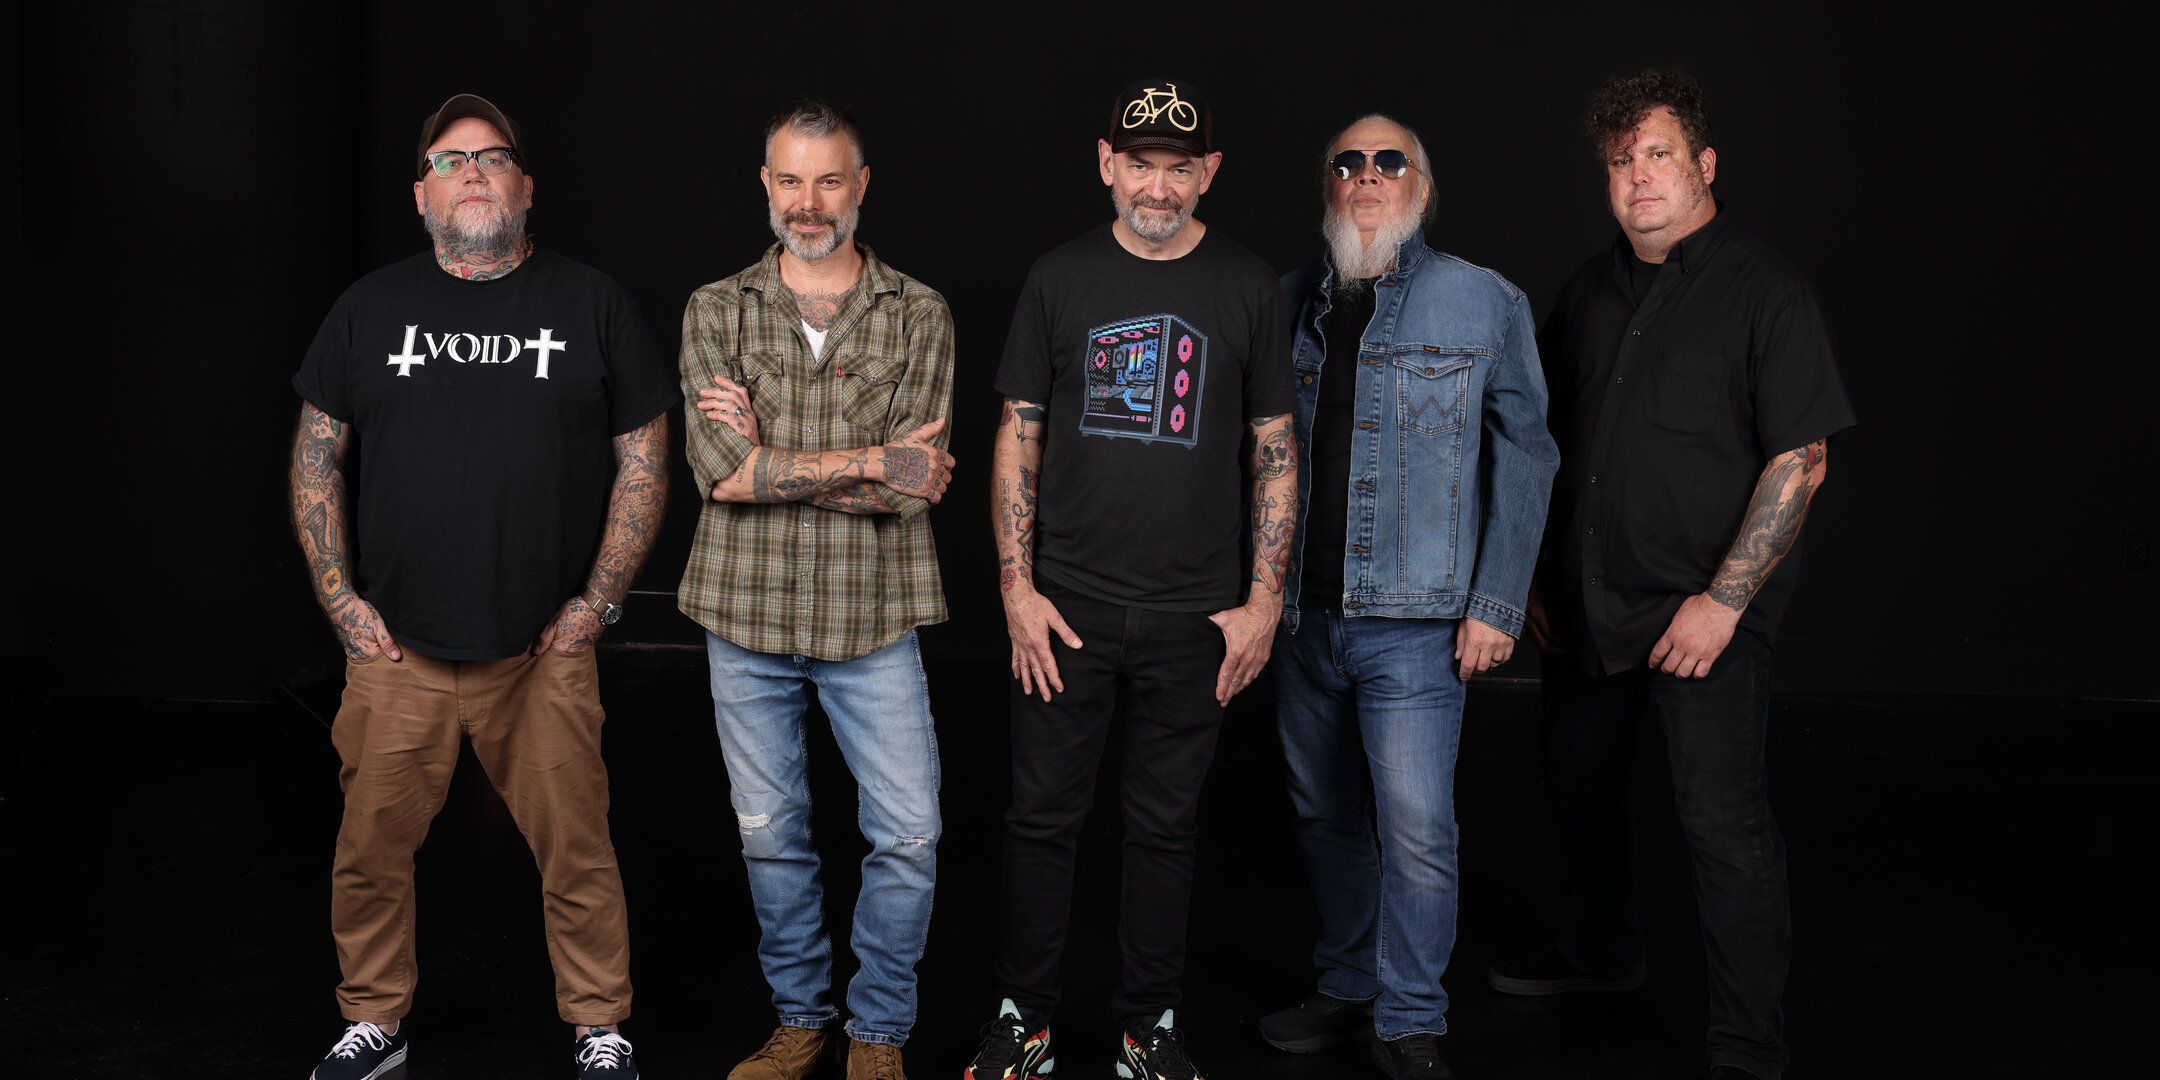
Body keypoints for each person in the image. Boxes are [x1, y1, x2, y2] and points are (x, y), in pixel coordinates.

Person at [289, 92, 675, 1080]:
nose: (472, 171)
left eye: (493, 157)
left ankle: (600, 1029)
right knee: (368, 853)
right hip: (398, 652)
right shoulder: (367, 308)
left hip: (542, 653)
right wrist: (339, 599)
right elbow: (317, 453)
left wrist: (597, 604)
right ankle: (375, 1023)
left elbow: (644, 458)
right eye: (450, 160)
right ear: (420, 195)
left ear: (525, 186)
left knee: (578, 851)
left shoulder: (592, 303)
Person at [1486, 69, 1857, 1080]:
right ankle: (1598, 955)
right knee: (1580, 791)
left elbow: (1803, 458)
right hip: (1585, 607)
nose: (1639, 177)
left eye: (1658, 155)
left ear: (1705, 165)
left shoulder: (1767, 290)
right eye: (1620, 161)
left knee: (1724, 830)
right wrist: (1529, 579)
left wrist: (1723, 602)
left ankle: (1747, 1047)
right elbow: (1536, 441)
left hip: (1704, 621)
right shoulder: (1586, 293)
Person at [964, 77, 1297, 1080]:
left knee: (1165, 832)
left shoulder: (1248, 287)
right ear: (1107, 163)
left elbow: (1274, 449)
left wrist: (1264, 602)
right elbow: (1018, 435)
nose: (1158, 186)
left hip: (1197, 619)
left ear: (1209, 173)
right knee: (1040, 823)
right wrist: (1017, 591)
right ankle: (1022, 1023)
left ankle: (1148, 1030)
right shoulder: (1058, 278)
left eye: (1179, 168)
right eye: (1140, 164)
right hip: (1065, 610)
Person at [1255, 115, 1559, 1080]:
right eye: (1347, 163)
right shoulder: (1286, 300)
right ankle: (1350, 985)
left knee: (1418, 828)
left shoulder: (1484, 301)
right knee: (1323, 815)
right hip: (1302, 620)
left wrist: (1496, 604)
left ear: (1421, 188)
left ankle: (1411, 1018)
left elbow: (1529, 456)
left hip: (1418, 624)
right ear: (1328, 186)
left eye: (1391, 162)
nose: (1368, 175)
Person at [675, 99, 955, 1080]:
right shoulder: (715, 309)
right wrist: (871, 457)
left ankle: (877, 1032)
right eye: (790, 180)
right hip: (743, 616)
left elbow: (911, 494)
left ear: (860, 185)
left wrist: (772, 463)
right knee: (771, 837)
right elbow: (720, 475)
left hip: (872, 618)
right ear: (766, 184)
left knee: (909, 834)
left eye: (829, 180)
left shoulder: (919, 311)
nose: (809, 201)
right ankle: (801, 1018)